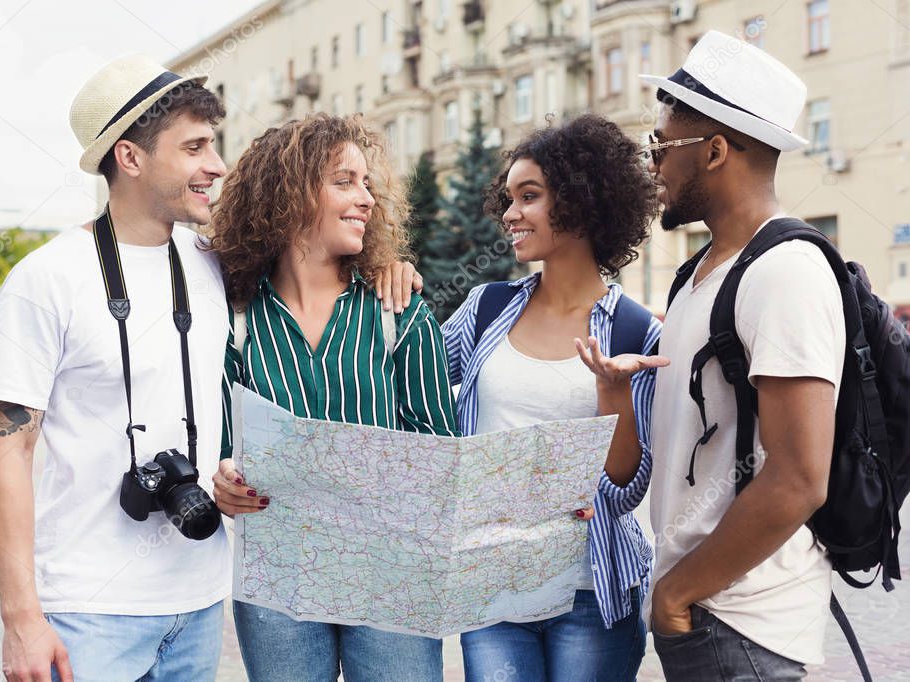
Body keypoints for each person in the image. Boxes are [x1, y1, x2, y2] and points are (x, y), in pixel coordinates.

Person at [0, 57, 419, 682]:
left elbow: (313, 259)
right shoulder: (47, 279)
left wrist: (388, 268)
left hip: (199, 604)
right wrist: (22, 618)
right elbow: (5, 456)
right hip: (87, 611)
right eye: (195, 148)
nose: (216, 165)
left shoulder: (216, 262)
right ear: (129, 158)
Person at [208, 113, 460, 682]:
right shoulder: (235, 319)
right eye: (344, 181)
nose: (366, 198)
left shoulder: (400, 314)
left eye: (368, 184)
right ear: (288, 193)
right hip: (278, 578)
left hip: (391, 576)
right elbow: (224, 442)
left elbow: (440, 455)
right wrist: (223, 479)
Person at [639, 31, 842, 680]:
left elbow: (797, 479)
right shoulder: (696, 274)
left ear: (716, 149)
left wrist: (676, 593)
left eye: (660, 146)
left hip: (746, 629)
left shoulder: (785, 272)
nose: (653, 165)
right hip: (702, 617)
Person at [441, 115, 667, 681]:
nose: (510, 214)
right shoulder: (486, 309)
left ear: (584, 203)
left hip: (591, 591)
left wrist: (613, 392)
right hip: (492, 584)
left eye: (530, 196)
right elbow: (400, 387)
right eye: (509, 198)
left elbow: (623, 492)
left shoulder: (636, 335)